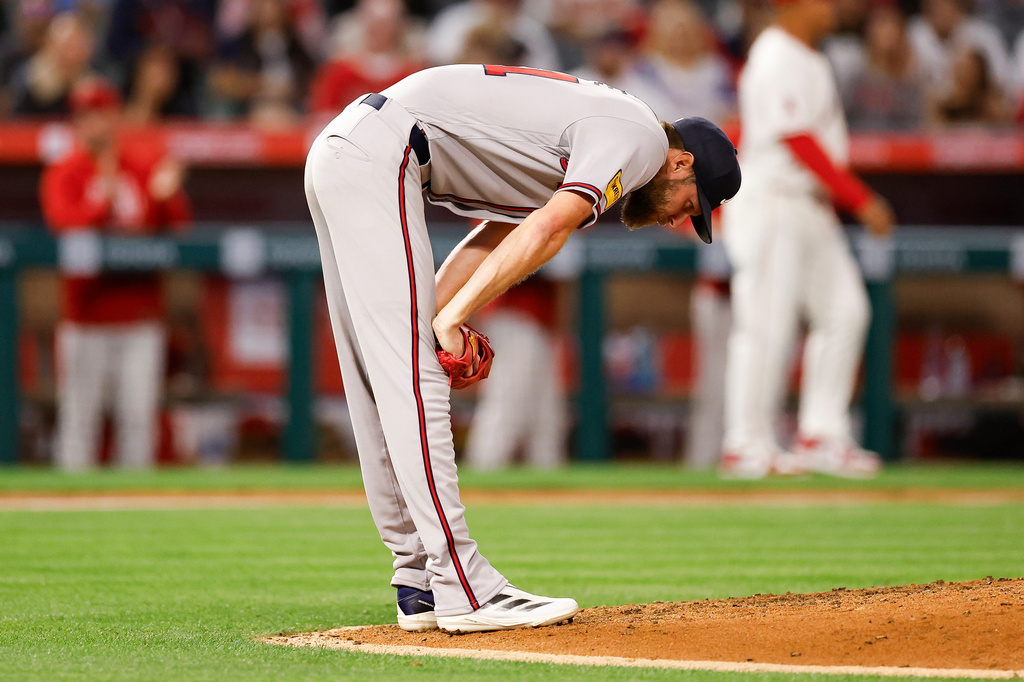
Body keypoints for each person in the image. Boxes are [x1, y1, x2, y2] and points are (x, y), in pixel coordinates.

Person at [304, 64, 740, 632]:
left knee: (381, 373)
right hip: (384, 153)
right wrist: (451, 320)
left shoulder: (603, 140)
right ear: (681, 163)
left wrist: (437, 317)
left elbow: (492, 237)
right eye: (691, 202)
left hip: (350, 151)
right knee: (412, 372)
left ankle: (420, 580)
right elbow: (546, 231)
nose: (682, 218)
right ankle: (464, 585)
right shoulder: (641, 141)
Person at [720, 0, 896, 480]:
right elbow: (797, 140)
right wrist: (859, 199)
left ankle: (820, 434)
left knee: (847, 311)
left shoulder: (811, 57)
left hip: (809, 206)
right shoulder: (775, 52)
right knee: (766, 325)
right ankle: (746, 443)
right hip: (774, 201)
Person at [40, 77, 192, 471]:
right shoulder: (65, 171)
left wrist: (166, 199)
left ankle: (137, 518)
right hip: (85, 315)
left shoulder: (141, 165)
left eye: (102, 113)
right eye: (86, 115)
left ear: (114, 116)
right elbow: (62, 223)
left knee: (138, 421)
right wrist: (100, 206)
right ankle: (69, 518)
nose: (95, 123)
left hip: (139, 315)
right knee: (78, 420)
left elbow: (176, 226)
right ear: (76, 122)